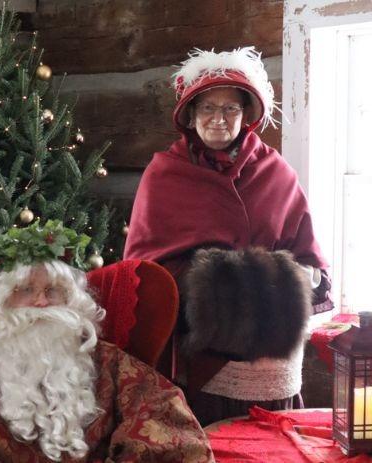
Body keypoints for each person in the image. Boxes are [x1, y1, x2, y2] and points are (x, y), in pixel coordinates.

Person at [0, 221, 214, 462]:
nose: (42, 303)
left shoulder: (110, 364)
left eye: (53, 290)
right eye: (25, 290)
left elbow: (168, 427)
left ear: (72, 300)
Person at [124, 47, 333, 425]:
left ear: (247, 116)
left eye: (230, 109)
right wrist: (220, 282)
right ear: (190, 115)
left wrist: (304, 276)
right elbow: (146, 268)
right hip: (204, 349)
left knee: (271, 441)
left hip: (273, 350)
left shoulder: (276, 172)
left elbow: (309, 259)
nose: (218, 119)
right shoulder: (165, 174)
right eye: (208, 108)